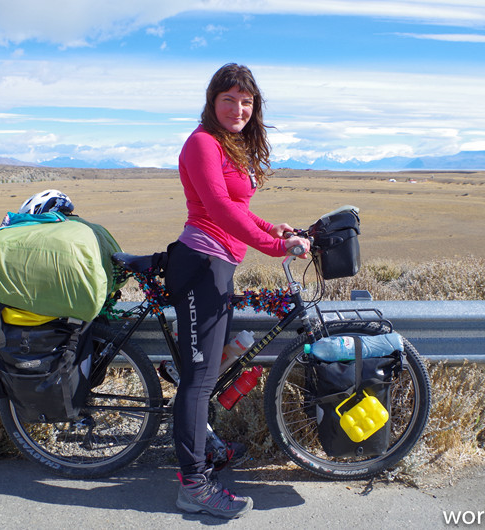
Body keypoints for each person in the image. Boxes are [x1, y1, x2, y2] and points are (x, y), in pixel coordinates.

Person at [165, 63, 310, 519]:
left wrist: (274, 226)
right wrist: (273, 245)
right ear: (212, 102)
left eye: (246, 101)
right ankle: (194, 485)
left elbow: (240, 207)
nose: (239, 108)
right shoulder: (202, 142)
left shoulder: (230, 145)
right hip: (201, 266)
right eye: (229, 99)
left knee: (210, 366)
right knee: (199, 379)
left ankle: (204, 447)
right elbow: (218, 208)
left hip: (219, 267)